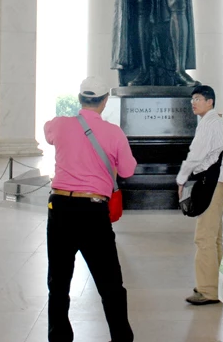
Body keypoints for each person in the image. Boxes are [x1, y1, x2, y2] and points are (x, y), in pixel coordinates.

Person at [43, 76, 137, 342]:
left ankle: (59, 336)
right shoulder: (113, 132)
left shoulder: (60, 125)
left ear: (80, 99)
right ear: (105, 102)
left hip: (59, 206)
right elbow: (128, 170)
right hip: (93, 210)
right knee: (110, 283)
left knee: (58, 281)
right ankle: (121, 337)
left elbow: (47, 130)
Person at [177, 84, 223, 306]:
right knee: (214, 237)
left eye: (198, 98)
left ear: (210, 101)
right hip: (219, 181)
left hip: (212, 182)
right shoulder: (214, 122)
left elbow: (196, 155)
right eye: (192, 99)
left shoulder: (209, 123)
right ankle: (218, 286)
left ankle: (208, 290)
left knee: (205, 237)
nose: (193, 103)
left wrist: (181, 178)